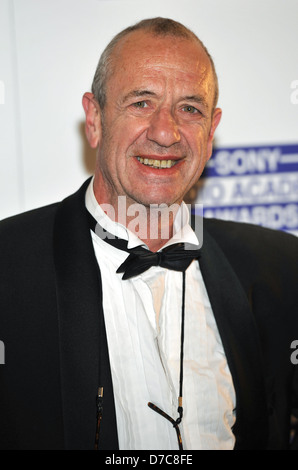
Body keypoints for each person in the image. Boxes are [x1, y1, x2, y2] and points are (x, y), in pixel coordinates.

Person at [0, 17, 297, 451]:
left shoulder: (282, 269)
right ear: (95, 118)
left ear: (211, 132)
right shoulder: (8, 269)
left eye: (190, 108)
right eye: (141, 102)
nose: (165, 132)